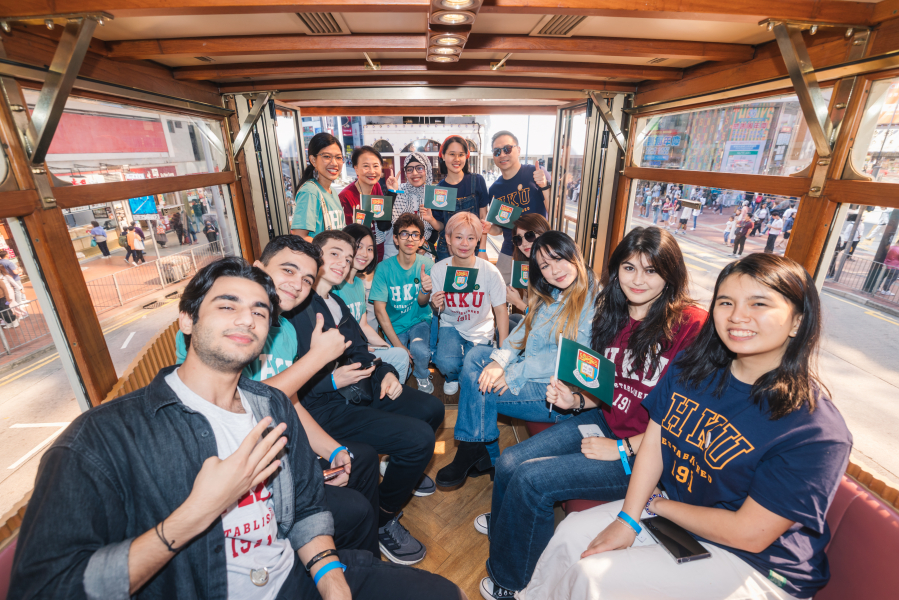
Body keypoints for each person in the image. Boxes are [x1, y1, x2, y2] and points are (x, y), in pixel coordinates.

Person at [9, 257, 464, 600]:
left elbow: (307, 509)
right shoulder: (100, 438)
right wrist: (196, 513)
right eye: (227, 305)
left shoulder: (271, 404)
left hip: (295, 576)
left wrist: (330, 579)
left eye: (260, 312)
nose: (247, 318)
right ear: (187, 319)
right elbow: (46, 587)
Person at [522, 253, 851, 600]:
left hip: (757, 564)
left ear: (798, 321)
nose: (737, 316)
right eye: (726, 302)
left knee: (593, 578)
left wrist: (656, 505)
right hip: (678, 518)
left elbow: (749, 534)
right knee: (570, 535)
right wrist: (628, 519)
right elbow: (654, 441)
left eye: (759, 303)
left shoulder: (814, 429)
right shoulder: (692, 370)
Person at [476, 227, 706, 599]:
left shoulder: (691, 325)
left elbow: (690, 417)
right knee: (509, 461)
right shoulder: (613, 315)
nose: (638, 280)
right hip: (603, 421)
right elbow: (608, 390)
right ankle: (509, 525)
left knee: (531, 480)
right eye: (629, 268)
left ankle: (511, 581)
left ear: (670, 273)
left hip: (645, 453)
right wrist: (577, 402)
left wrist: (622, 448)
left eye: (651, 270)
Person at [173, 236, 382, 556]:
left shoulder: (285, 330)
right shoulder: (222, 332)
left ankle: (353, 560)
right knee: (356, 509)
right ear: (258, 269)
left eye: (307, 279)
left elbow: (289, 402)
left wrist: (332, 448)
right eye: (288, 270)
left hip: (277, 445)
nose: (297, 284)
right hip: (229, 465)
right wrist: (317, 359)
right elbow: (235, 400)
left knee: (359, 463)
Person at [285, 229, 445, 566]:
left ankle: (399, 474)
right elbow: (290, 387)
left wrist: (385, 371)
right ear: (315, 257)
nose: (343, 263)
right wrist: (332, 380)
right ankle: (384, 516)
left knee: (431, 409)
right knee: (418, 440)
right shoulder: (295, 309)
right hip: (325, 405)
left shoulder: (336, 302)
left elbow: (361, 350)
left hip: (359, 387)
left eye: (348, 257)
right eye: (334, 254)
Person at [436, 231, 597, 488]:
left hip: (558, 392)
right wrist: (500, 361)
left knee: (478, 385)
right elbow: (523, 328)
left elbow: (568, 361)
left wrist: (512, 372)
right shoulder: (554, 291)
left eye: (558, 259)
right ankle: (479, 451)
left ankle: (475, 450)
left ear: (574, 254)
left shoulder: (591, 302)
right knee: (476, 357)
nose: (554, 270)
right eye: (545, 266)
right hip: (533, 373)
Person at [430, 212, 509, 396]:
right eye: (458, 237)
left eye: (471, 238)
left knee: (472, 371)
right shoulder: (439, 269)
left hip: (481, 328)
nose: (464, 244)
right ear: (448, 239)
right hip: (451, 325)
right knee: (446, 363)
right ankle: (452, 377)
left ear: (478, 240)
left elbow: (501, 311)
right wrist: (436, 305)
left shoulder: (490, 271)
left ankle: (468, 370)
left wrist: (503, 353)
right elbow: (438, 310)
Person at [334, 223, 410, 382]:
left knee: (401, 356)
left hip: (358, 348)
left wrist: (388, 348)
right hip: (341, 356)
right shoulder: (334, 286)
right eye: (359, 247)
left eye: (370, 249)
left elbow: (363, 326)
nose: (365, 254)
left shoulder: (358, 284)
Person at [371, 213, 436, 393]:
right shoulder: (383, 268)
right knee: (398, 364)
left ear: (421, 240)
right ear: (395, 239)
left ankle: (422, 375)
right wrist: (399, 347)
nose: (410, 239)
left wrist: (425, 290)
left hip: (419, 320)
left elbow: (423, 303)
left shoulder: (427, 265)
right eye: (404, 234)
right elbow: (379, 311)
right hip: (394, 324)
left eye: (415, 235)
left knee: (420, 351)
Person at [487, 131, 550, 284]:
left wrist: (544, 186)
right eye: (497, 151)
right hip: (510, 250)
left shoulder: (536, 173)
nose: (502, 154)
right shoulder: (495, 189)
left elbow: (554, 210)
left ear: (518, 150)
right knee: (499, 290)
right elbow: (499, 229)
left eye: (507, 149)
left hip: (539, 248)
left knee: (538, 293)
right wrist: (488, 228)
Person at [423, 135, 491, 263]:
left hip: (473, 247)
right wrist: (431, 219)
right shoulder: (439, 189)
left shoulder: (477, 181)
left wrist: (482, 249)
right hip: (446, 249)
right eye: (452, 154)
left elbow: (483, 220)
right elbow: (441, 227)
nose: (457, 159)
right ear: (443, 156)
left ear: (466, 156)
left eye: (461, 154)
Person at [376, 152, 437, 260]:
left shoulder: (433, 195)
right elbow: (383, 226)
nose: (414, 173)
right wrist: (392, 192)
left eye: (419, 168)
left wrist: (424, 246)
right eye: (409, 169)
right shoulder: (398, 191)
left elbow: (435, 230)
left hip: (421, 256)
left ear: (427, 169)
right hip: (394, 255)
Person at [290, 132, 347, 241]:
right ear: (313, 160)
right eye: (327, 156)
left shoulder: (332, 192)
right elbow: (299, 237)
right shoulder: (310, 191)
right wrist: (328, 249)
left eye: (338, 157)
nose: (334, 163)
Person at [505, 213, 551, 329]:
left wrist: (518, 302)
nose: (524, 243)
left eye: (529, 236)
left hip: (551, 330)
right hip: (542, 325)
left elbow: (548, 321)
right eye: (518, 239)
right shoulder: (531, 266)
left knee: (508, 325)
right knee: (512, 319)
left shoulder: (553, 270)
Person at [338, 146, 384, 226]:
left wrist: (392, 191)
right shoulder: (345, 197)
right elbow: (346, 231)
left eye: (375, 166)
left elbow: (382, 217)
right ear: (356, 169)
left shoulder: (376, 186)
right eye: (366, 166)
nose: (372, 171)